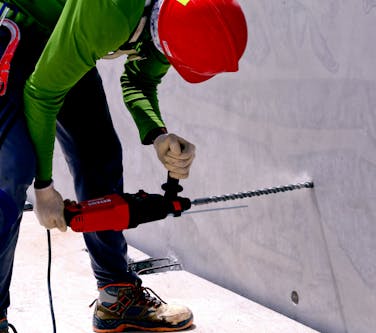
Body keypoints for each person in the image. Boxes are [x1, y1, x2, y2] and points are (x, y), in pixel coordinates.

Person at [0, 0, 247, 332]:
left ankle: (116, 296)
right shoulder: (111, 11)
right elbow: (42, 93)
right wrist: (44, 187)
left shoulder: (177, 16)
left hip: (65, 31)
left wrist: (158, 134)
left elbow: (140, 81)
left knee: (99, 153)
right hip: (17, 23)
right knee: (12, 170)